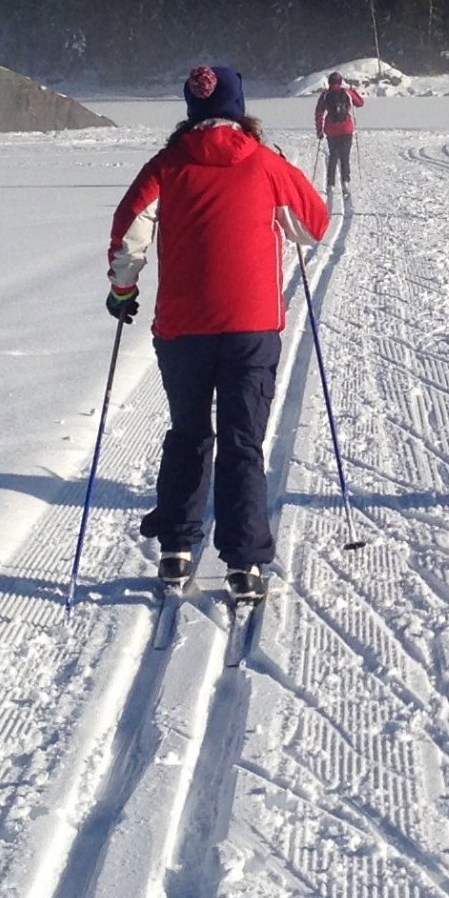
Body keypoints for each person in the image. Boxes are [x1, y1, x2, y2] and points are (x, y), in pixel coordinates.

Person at [106, 64, 329, 601]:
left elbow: (129, 230)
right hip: (252, 326)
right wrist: (281, 183)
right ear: (239, 108)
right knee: (241, 442)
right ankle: (245, 562)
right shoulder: (266, 163)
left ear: (191, 110)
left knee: (188, 433)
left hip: (182, 329)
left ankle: (176, 549)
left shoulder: (166, 165)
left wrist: (123, 290)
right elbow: (312, 226)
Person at [314, 71, 366, 199]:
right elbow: (360, 103)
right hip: (346, 129)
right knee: (345, 157)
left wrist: (319, 130)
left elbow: (319, 113)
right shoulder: (347, 92)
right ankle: (345, 182)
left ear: (329, 82)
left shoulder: (325, 95)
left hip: (331, 130)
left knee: (333, 156)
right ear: (340, 81)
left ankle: (330, 184)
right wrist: (352, 91)